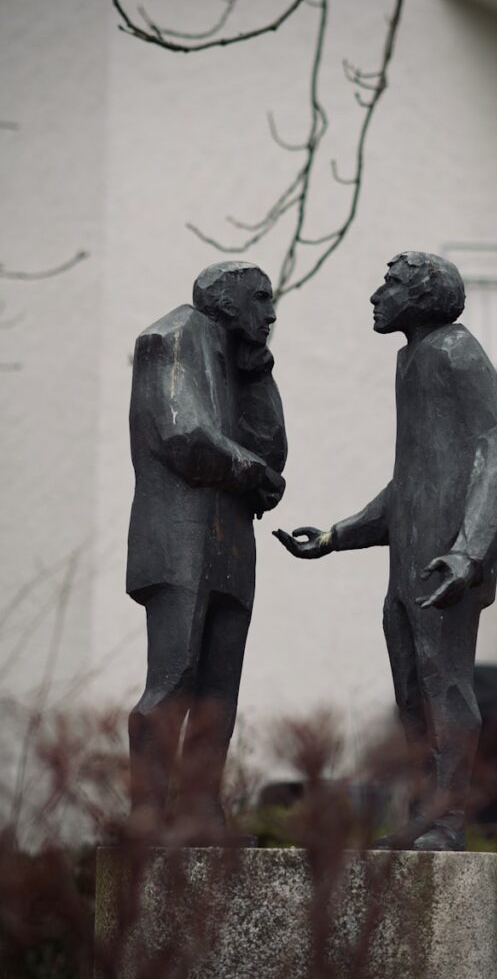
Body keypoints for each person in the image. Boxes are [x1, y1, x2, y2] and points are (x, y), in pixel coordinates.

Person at [274, 251, 497, 850]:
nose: (376, 294)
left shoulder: (456, 351)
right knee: (412, 692)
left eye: (390, 282)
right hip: (409, 567)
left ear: (424, 294)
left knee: (446, 688)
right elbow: (409, 485)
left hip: (445, 567)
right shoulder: (411, 361)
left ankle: (449, 821)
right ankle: (425, 813)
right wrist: (336, 536)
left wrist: (468, 554)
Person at [127, 260, 287, 840]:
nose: (271, 314)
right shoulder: (167, 339)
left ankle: (201, 810)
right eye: (262, 300)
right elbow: (182, 434)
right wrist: (250, 471)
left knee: (221, 689)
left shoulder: (236, 364)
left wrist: (259, 373)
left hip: (230, 545)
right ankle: (145, 810)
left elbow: (272, 449)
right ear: (227, 301)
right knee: (174, 678)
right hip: (177, 540)